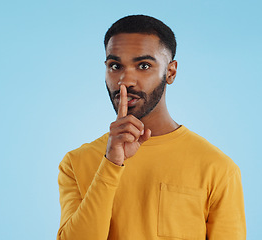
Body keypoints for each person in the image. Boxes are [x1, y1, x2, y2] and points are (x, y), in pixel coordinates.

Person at [57, 15, 246, 240]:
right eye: (115, 66)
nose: (125, 81)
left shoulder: (217, 168)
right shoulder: (76, 163)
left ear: (170, 72)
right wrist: (111, 163)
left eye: (144, 65)